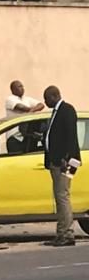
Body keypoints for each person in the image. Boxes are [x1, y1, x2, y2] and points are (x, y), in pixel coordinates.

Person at [42, 86, 81, 247]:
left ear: (54, 96)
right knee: (60, 197)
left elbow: (70, 136)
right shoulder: (56, 112)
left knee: (63, 196)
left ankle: (67, 234)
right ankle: (61, 232)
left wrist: (66, 157)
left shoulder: (67, 110)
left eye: (46, 98)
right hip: (57, 162)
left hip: (66, 162)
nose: (45, 102)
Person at [5, 80, 45, 153]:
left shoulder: (27, 99)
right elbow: (20, 107)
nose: (22, 88)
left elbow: (41, 105)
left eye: (22, 86)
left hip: (26, 136)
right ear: (13, 89)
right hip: (14, 137)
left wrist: (31, 111)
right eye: (19, 86)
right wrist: (33, 110)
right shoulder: (10, 99)